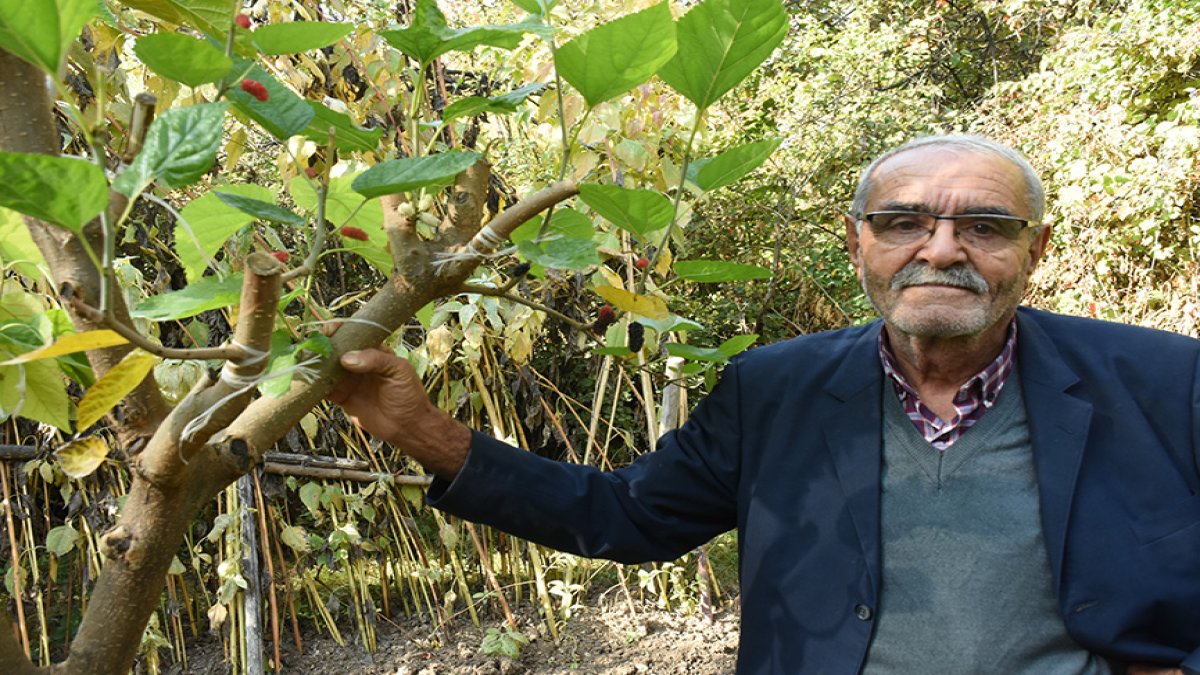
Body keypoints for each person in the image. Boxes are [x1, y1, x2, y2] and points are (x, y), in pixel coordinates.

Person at [329, 135, 1200, 675]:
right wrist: (421, 429)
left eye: (984, 225)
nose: (941, 248)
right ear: (855, 240)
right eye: (902, 222)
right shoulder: (775, 391)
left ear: (1035, 248)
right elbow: (626, 517)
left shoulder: (1163, 384)